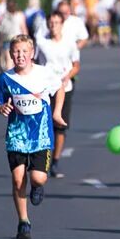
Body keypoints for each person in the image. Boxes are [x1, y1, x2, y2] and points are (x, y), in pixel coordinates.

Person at [0, 35, 66, 239]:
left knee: (37, 178)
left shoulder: (44, 74)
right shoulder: (6, 78)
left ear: (32, 54)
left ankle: (38, 186)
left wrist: (57, 113)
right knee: (17, 179)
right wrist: (0, 108)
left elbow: (60, 89)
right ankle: (23, 221)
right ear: (11, 55)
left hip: (41, 135)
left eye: (24, 52)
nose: (20, 55)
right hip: (16, 135)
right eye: (16, 52)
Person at [36, 12, 80, 179]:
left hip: (64, 87)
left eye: (57, 22)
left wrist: (67, 76)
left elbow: (76, 65)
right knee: (45, 126)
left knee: (60, 127)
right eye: (51, 22)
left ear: (62, 24)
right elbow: (34, 63)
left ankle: (55, 160)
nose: (54, 25)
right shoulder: (42, 43)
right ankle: (43, 160)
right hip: (45, 88)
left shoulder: (70, 44)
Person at [0, 0, 28, 70]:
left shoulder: (3, 16)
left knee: (9, 61)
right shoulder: (20, 15)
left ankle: (10, 78)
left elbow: (0, 30)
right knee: (18, 61)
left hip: (8, 41)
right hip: (18, 41)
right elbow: (24, 29)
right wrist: (27, 40)